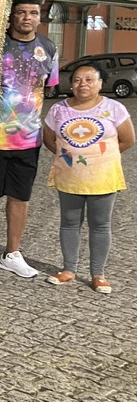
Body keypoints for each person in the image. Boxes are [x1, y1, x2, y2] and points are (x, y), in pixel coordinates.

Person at [0, 0, 59, 276]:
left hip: (28, 139)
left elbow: (47, 89)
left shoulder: (48, 47)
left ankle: (12, 252)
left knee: (20, 196)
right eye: (21, 13)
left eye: (33, 13)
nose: (27, 18)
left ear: (40, 17)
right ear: (12, 15)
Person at [42, 63, 133, 294]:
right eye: (77, 80)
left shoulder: (114, 108)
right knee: (69, 223)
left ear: (100, 83)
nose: (82, 84)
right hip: (70, 176)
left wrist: (98, 158)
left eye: (89, 80)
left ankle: (98, 273)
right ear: (71, 84)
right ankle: (68, 269)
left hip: (103, 176)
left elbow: (127, 139)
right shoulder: (58, 110)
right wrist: (71, 157)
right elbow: (50, 139)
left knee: (100, 225)